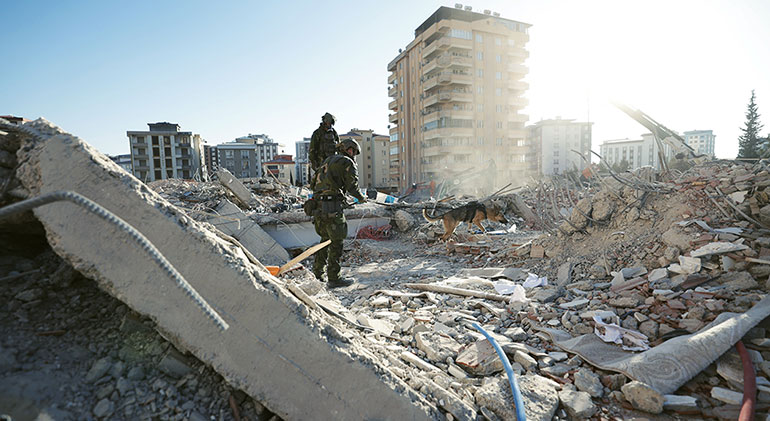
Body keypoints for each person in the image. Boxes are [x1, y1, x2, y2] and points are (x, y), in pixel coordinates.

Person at [310, 138, 366, 287]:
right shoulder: (347, 163)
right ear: (348, 149)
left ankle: (317, 274)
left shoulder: (326, 161)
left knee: (324, 241)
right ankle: (334, 278)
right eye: (352, 151)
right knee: (336, 243)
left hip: (318, 208)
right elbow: (352, 186)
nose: (353, 154)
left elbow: (312, 183)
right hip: (333, 209)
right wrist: (361, 198)